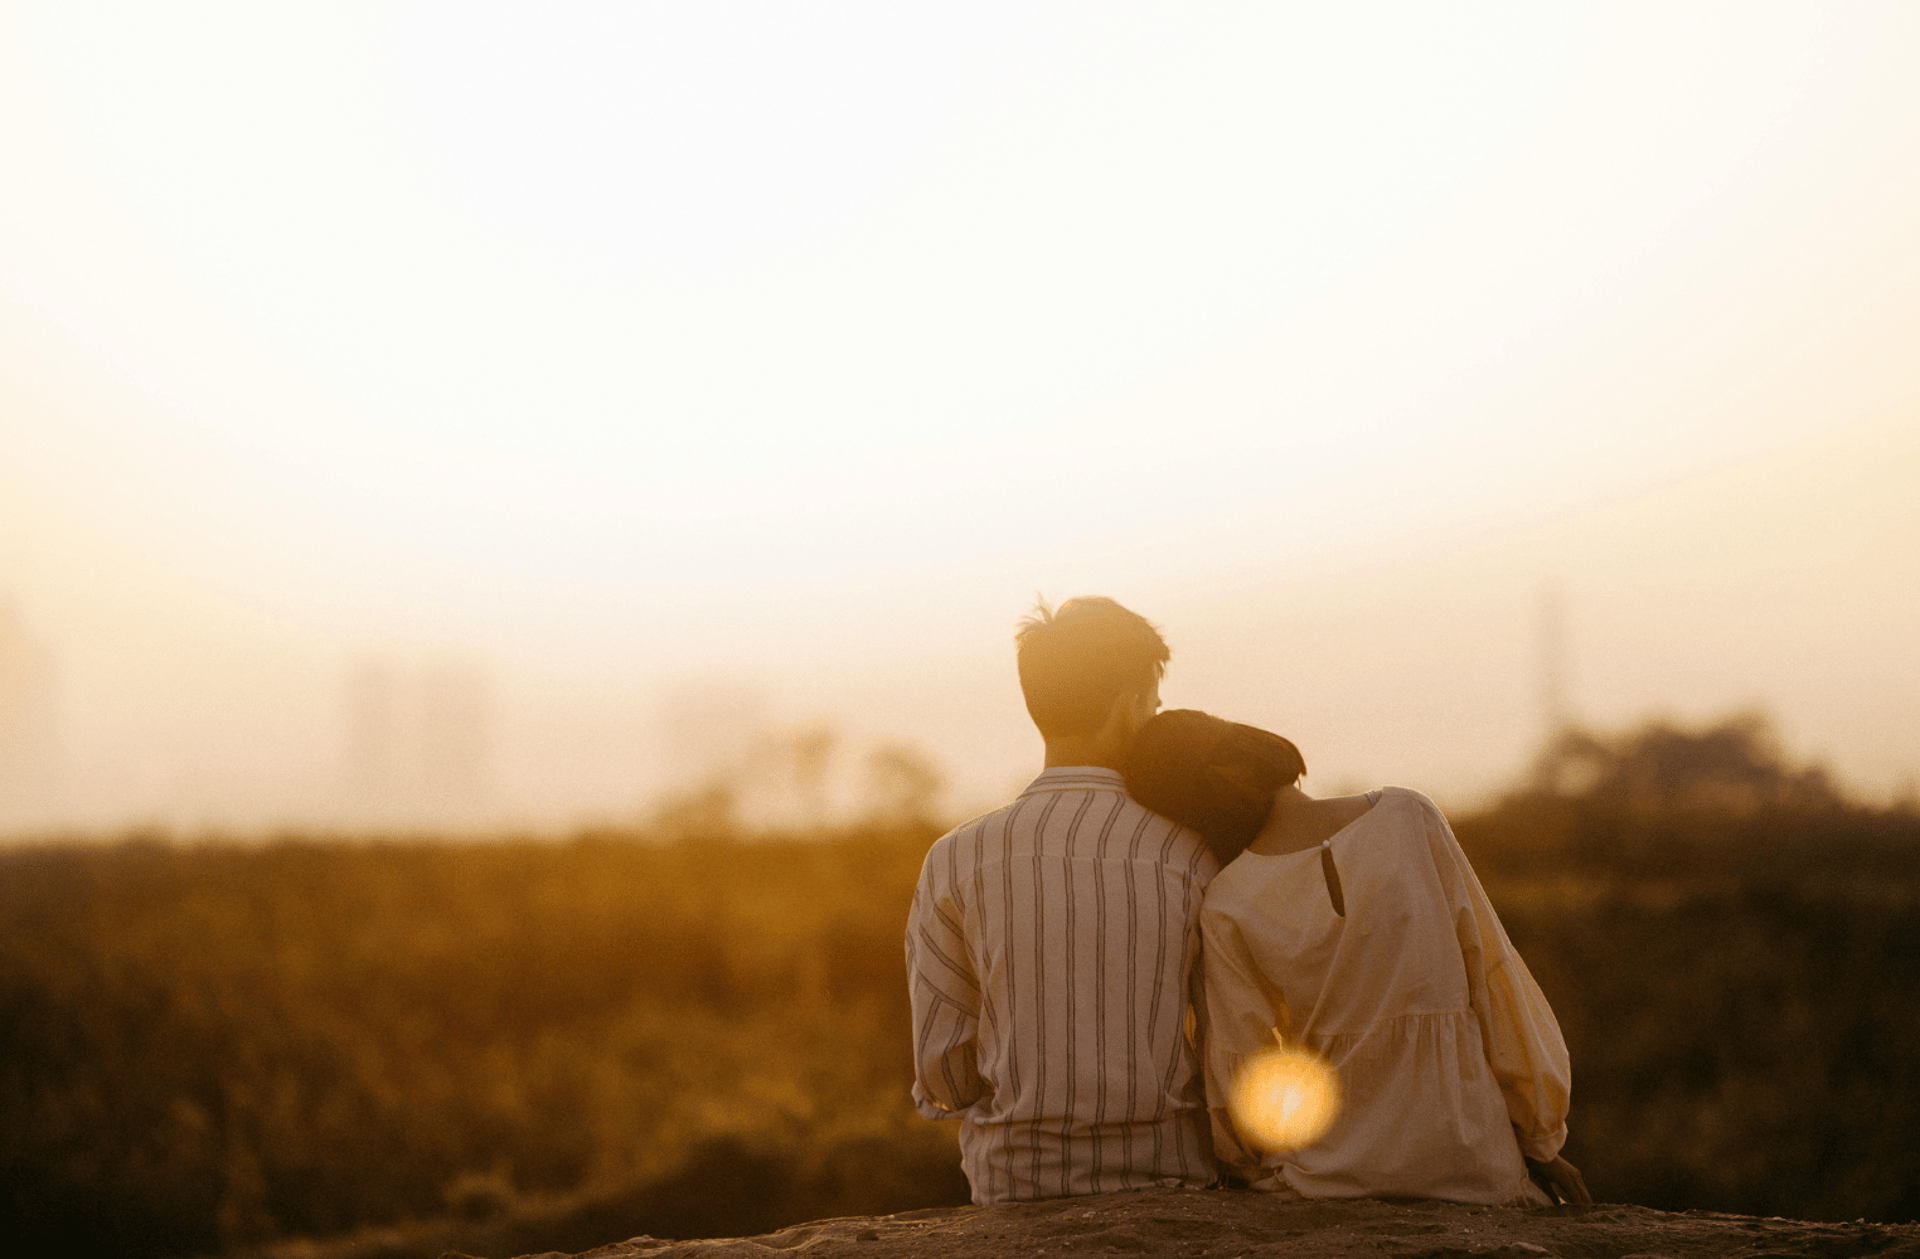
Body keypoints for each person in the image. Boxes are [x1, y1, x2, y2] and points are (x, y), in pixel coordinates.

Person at [1122, 709, 1591, 1207]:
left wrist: (1248, 1164)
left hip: (1327, 1179)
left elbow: (1244, 1069)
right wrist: (1541, 1138)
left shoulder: (1226, 904)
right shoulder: (1409, 816)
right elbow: (1494, 978)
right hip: (1472, 1163)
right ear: (1252, 744)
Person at [906, 598, 1221, 1204]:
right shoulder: (1190, 853)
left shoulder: (955, 857)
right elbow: (1226, 1042)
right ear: (1132, 704)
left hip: (1016, 1184)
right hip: (1172, 1180)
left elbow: (942, 1072)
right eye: (1153, 704)